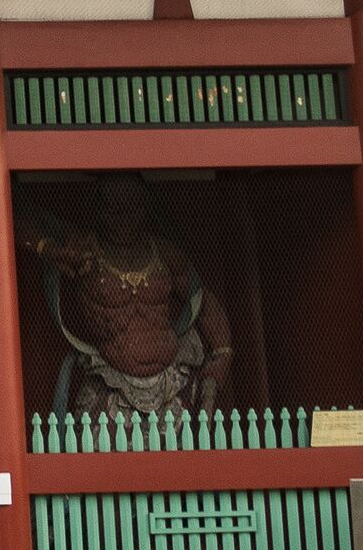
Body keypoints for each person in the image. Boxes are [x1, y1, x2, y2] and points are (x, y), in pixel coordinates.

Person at [19, 174, 234, 415]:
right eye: (113, 211)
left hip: (172, 384)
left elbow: (202, 300)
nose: (123, 221)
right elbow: (18, 214)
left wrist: (222, 354)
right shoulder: (84, 251)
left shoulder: (165, 254)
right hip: (110, 383)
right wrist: (48, 248)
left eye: (132, 210)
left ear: (146, 208)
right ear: (98, 210)